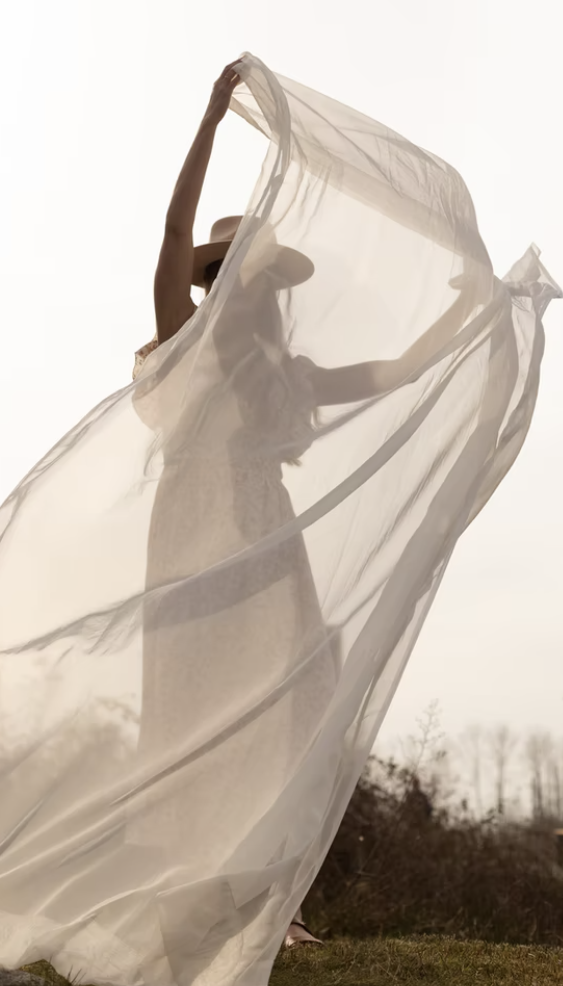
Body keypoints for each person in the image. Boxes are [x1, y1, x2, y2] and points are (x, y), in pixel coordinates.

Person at [132, 62, 481, 955]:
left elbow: (393, 372)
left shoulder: (284, 375)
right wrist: (211, 117)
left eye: (260, 275)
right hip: (195, 547)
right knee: (195, 715)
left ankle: (270, 906)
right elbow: (173, 232)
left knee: (290, 713)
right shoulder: (182, 339)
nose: (248, 284)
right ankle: (187, 901)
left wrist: (472, 312)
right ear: (214, 280)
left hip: (268, 543)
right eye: (232, 271)